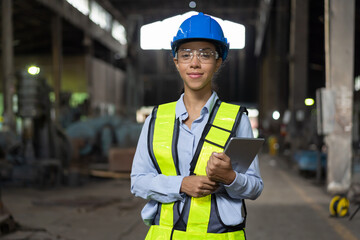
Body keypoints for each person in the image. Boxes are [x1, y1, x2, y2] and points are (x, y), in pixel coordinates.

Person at [131, 12, 263, 240]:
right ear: (177, 62)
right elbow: (138, 182)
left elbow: (254, 187)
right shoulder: (155, 118)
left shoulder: (236, 119)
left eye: (205, 54)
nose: (194, 62)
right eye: (186, 54)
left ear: (218, 61)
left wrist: (230, 177)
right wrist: (181, 184)